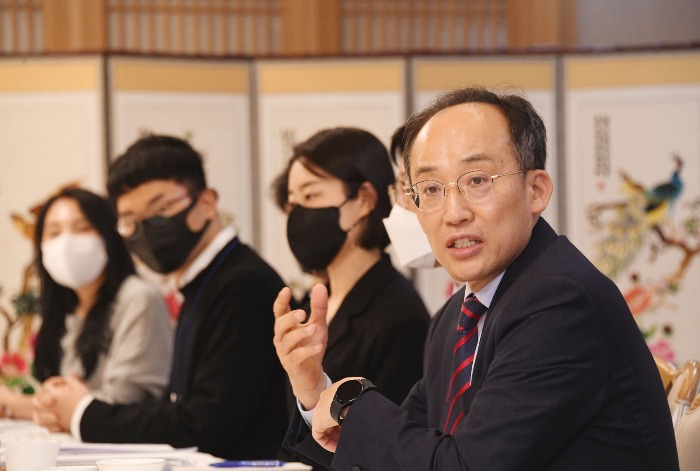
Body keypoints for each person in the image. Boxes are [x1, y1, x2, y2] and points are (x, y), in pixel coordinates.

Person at [274, 88, 679, 470]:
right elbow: (406, 451)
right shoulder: (456, 315)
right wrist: (316, 391)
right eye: (431, 189)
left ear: (536, 190)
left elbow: (465, 466)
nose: (454, 212)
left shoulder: (560, 302)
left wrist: (349, 401)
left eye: (477, 181)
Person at [32, 135, 289, 460]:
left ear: (206, 203)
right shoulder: (203, 282)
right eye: (131, 221)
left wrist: (84, 411)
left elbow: (205, 424)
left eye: (161, 208)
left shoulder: (241, 284)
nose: (148, 230)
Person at [276, 127, 430, 407]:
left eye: (310, 197)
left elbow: (391, 438)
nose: (297, 214)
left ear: (364, 200)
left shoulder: (399, 316)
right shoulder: (312, 304)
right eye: (292, 201)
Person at [0, 188, 172, 419]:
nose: (66, 243)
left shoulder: (138, 298)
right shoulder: (67, 311)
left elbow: (122, 404)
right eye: (54, 232)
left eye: (82, 229)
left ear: (110, 237)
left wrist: (13, 403)